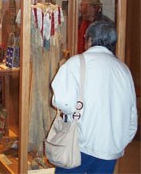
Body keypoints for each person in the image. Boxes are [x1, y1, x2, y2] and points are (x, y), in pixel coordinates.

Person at [51, 20, 138, 174]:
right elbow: (132, 114)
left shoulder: (75, 63)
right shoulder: (124, 70)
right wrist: (120, 142)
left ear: (89, 40)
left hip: (80, 144)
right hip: (111, 147)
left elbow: (62, 101)